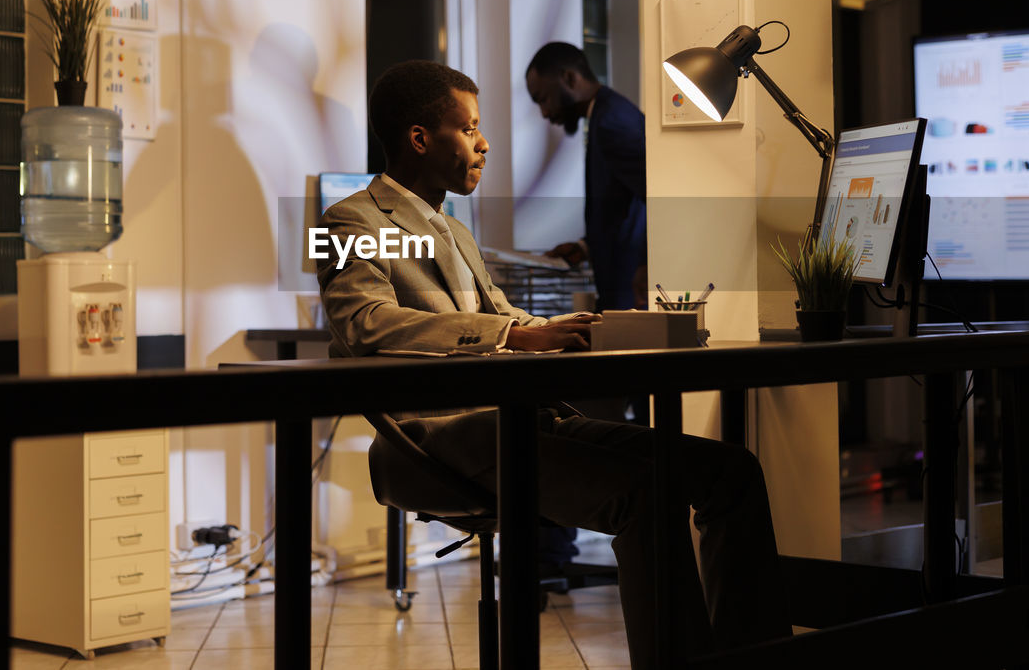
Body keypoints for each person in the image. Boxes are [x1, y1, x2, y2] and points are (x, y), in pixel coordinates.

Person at [316, 60, 789, 667]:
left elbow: (503, 312)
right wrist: (513, 333)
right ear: (419, 139)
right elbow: (367, 325)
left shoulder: (454, 231)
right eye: (470, 128)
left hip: (520, 417)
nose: (484, 142)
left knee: (731, 471)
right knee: (645, 495)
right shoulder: (347, 221)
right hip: (436, 434)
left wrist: (580, 329)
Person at [525, 42, 647, 312]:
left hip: (631, 292)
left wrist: (647, 264)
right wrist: (586, 245)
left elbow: (656, 196)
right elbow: (623, 202)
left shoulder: (611, 122)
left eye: (543, 99)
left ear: (569, 78)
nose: (545, 113)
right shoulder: (606, 114)